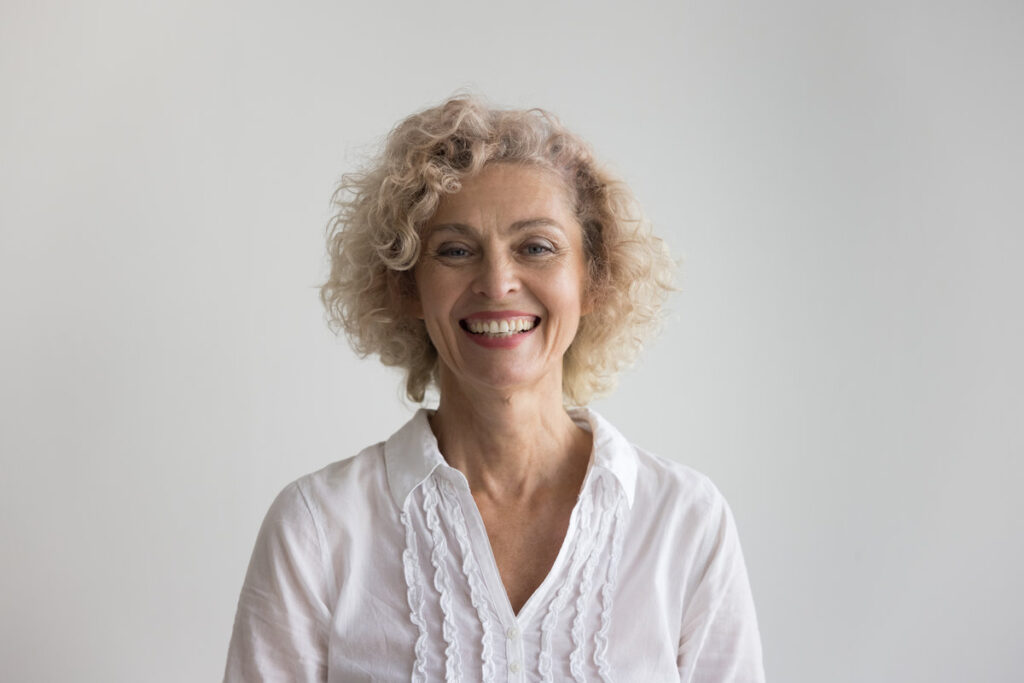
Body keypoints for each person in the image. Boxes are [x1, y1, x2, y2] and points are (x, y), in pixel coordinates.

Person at [225, 95, 765, 682]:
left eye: (536, 247)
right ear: (406, 285)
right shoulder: (318, 527)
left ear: (593, 279)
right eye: (456, 251)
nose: (497, 282)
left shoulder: (685, 522)